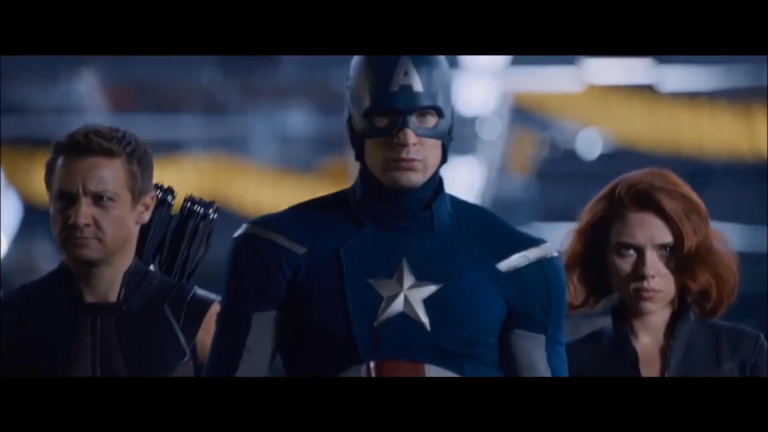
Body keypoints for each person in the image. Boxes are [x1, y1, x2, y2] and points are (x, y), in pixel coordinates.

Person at [205, 55, 568, 377]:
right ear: (355, 126)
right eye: (385, 117)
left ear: (447, 125)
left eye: (424, 116)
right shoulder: (276, 250)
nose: (406, 138)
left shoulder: (521, 265)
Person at [0, 124, 220, 377]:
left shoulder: (200, 321)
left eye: (102, 199)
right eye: (65, 199)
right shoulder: (12, 318)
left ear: (145, 207)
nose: (79, 217)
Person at [564, 168, 767, 377]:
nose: (646, 270)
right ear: (601, 257)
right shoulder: (572, 363)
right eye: (627, 250)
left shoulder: (743, 354)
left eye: (666, 250)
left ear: (691, 255)